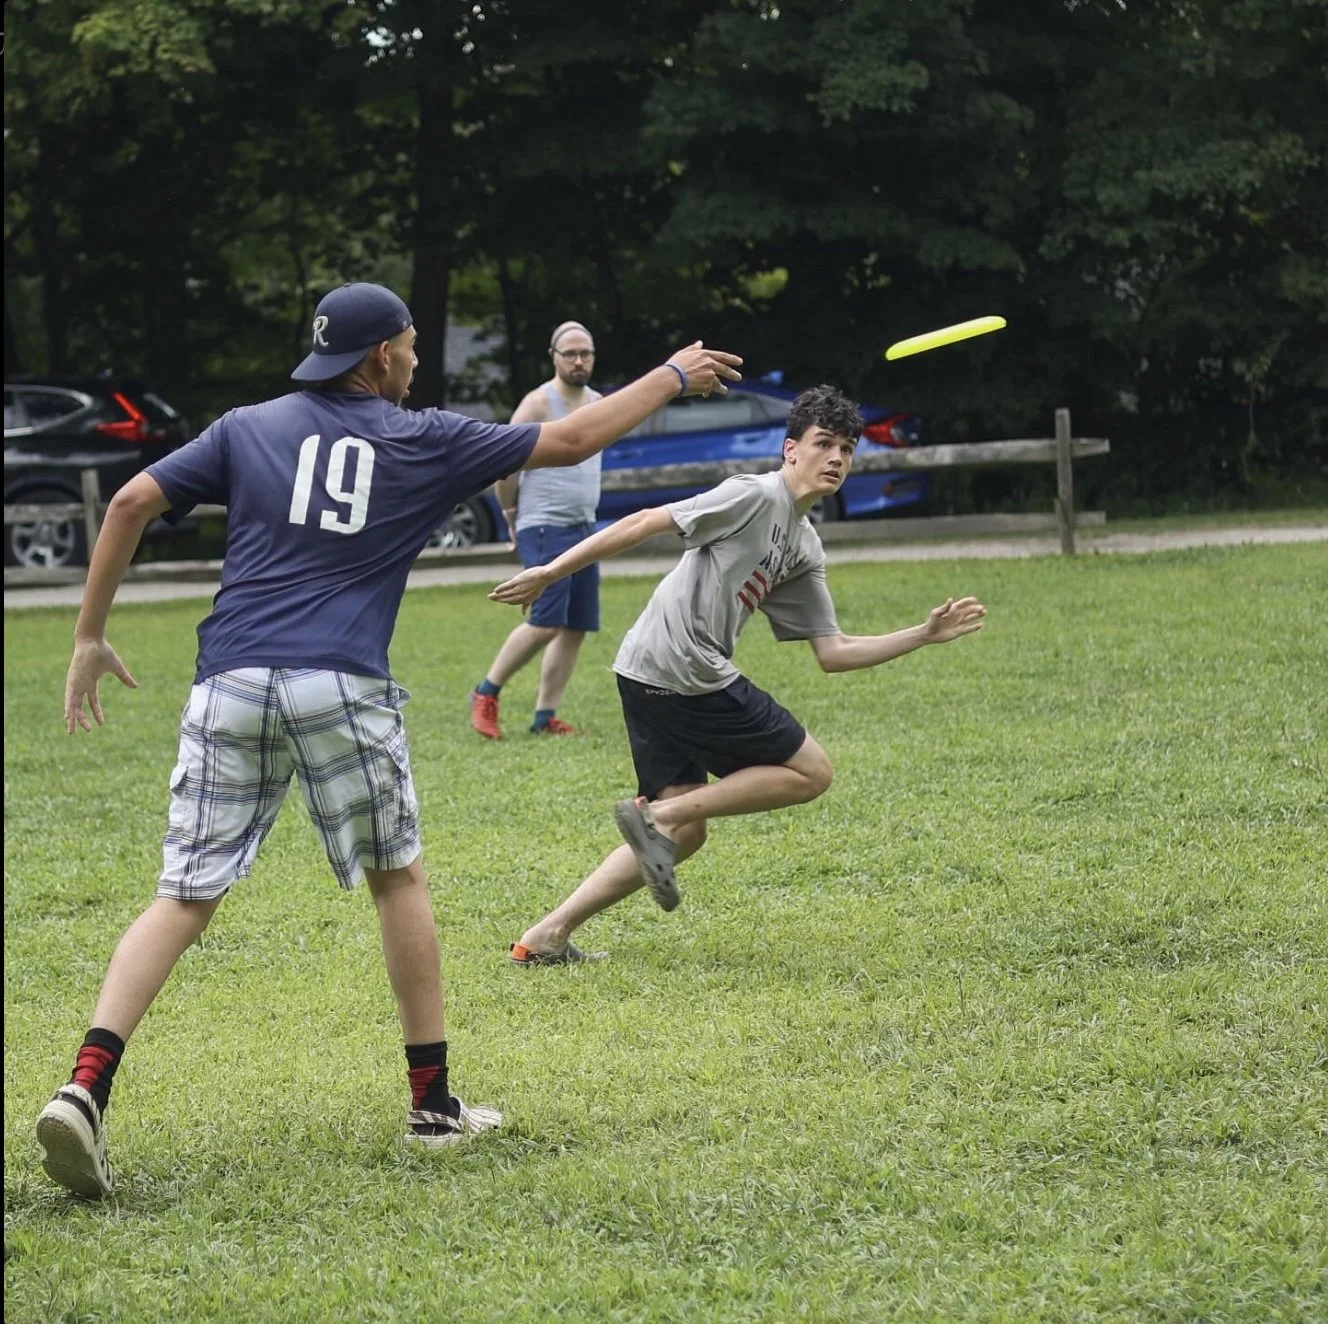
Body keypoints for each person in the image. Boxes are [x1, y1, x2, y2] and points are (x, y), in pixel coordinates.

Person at [35, 281, 742, 1197]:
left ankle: (85, 1089)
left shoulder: (248, 425)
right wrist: (672, 375)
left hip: (230, 683)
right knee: (397, 878)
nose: (415, 360)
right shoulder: (422, 437)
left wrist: (89, 636)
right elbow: (570, 440)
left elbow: (130, 500)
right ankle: (434, 1106)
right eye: (408, 346)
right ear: (379, 358)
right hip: (340, 681)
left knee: (182, 895)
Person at [491, 385, 986, 966]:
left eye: (847, 450)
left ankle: (546, 935)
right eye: (823, 444)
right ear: (789, 450)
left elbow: (833, 651)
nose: (836, 459)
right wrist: (550, 571)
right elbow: (647, 520)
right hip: (683, 667)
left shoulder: (803, 544)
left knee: (689, 829)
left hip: (645, 669)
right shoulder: (753, 496)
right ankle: (659, 815)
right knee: (810, 771)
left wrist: (921, 636)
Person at [470, 320, 604, 738]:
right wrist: (509, 511)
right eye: (570, 354)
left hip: (585, 528)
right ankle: (486, 692)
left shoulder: (599, 402)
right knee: (545, 622)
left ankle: (544, 718)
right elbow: (504, 462)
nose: (579, 360)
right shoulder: (538, 404)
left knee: (576, 625)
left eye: (586, 353)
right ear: (554, 356)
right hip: (545, 526)